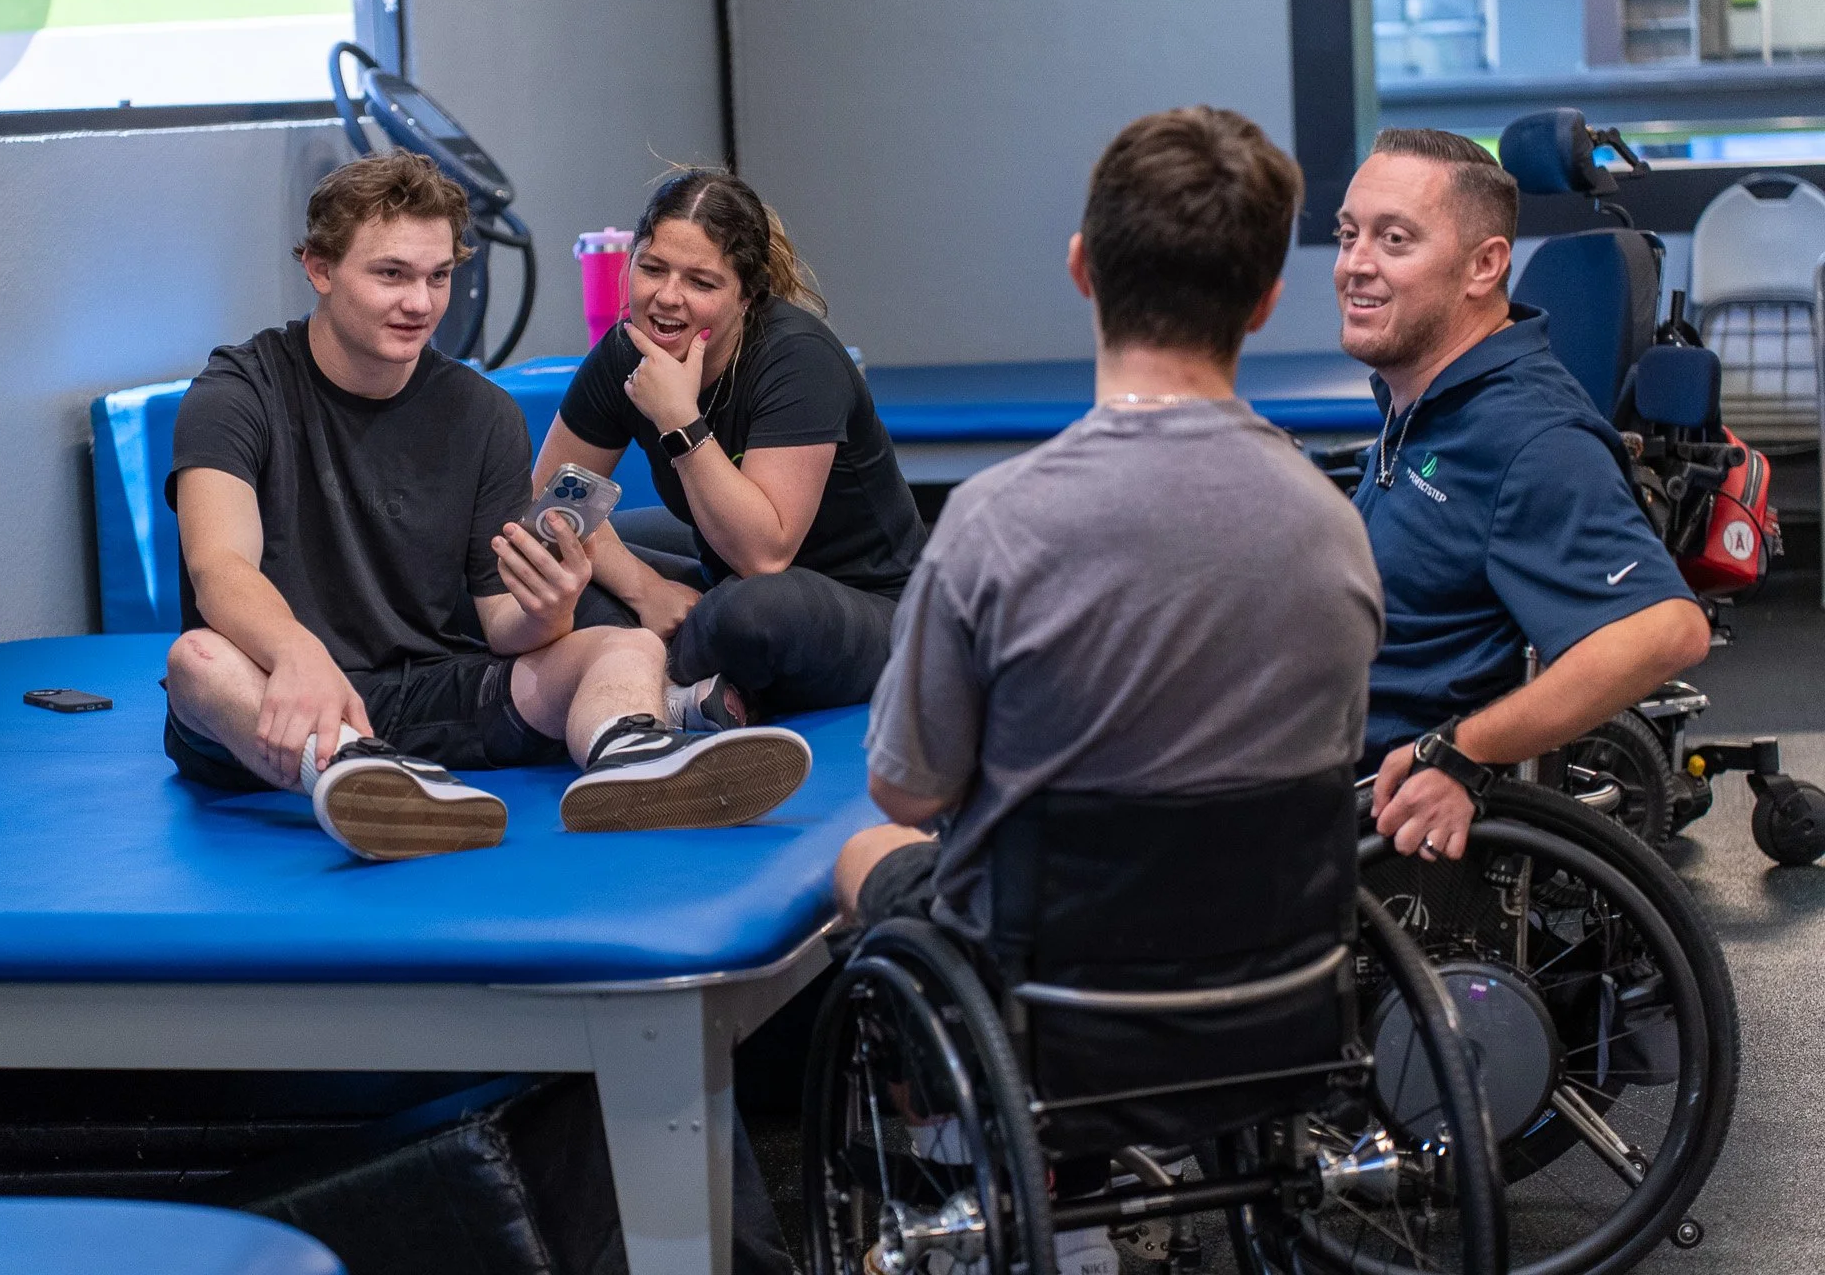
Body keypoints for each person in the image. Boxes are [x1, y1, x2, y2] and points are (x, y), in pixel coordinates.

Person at [833, 107, 1385, 1275]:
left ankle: (995, 1196)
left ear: (1083, 267)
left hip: (1054, 1005)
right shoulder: (1332, 528)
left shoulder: (995, 525)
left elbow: (907, 785)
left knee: (866, 857)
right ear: (1264, 300)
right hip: (1279, 991)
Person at [160, 151, 810, 860]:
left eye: (439, 276)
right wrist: (296, 653)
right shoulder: (236, 393)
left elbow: (502, 623)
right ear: (319, 268)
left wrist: (550, 607)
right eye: (391, 274)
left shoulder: (483, 414)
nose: (421, 303)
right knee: (198, 660)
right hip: (281, 689)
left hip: (434, 690)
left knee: (625, 644)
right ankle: (355, 773)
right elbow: (219, 566)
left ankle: (632, 759)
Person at [1334, 128, 1711, 862]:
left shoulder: (1531, 439)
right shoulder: (1428, 394)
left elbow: (1668, 630)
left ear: (1484, 266)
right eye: (1349, 235)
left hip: (1347, 801)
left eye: (1394, 239)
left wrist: (1462, 752)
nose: (1355, 264)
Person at [532, 169, 926, 728]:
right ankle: (687, 689)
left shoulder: (799, 359)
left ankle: (646, 684)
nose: (668, 298)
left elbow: (763, 557)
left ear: (747, 295)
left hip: (860, 603)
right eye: (651, 269)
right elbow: (551, 506)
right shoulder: (626, 353)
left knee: (752, 613)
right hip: (721, 577)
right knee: (539, 561)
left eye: (701, 282)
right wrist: (644, 589)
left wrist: (679, 419)